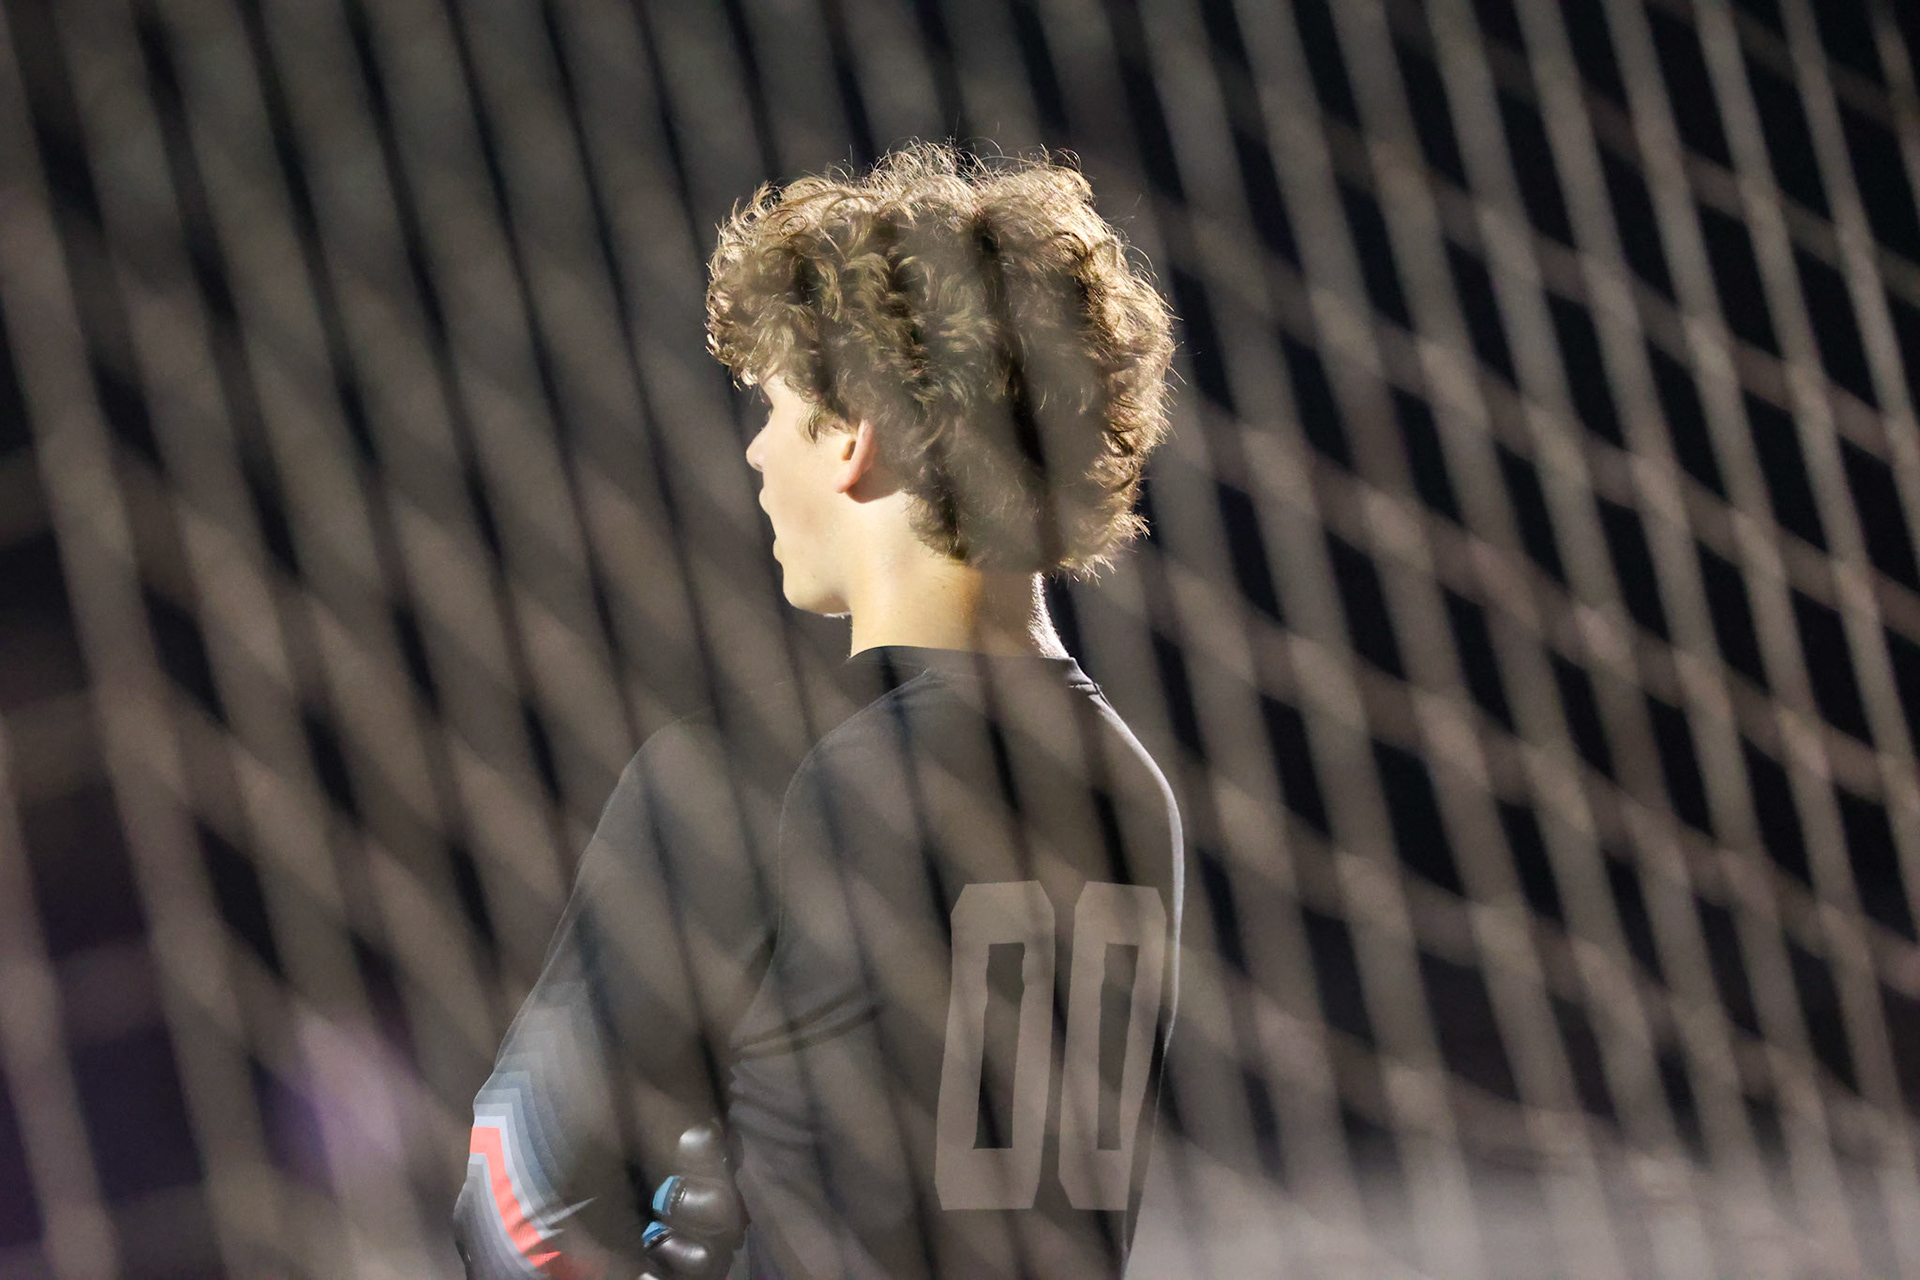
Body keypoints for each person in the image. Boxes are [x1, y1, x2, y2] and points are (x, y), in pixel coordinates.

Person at [452, 140, 1183, 1280]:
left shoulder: (761, 769)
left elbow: (512, 1199)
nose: (754, 451)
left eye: (775, 405)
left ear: (856, 435)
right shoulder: (1133, 790)